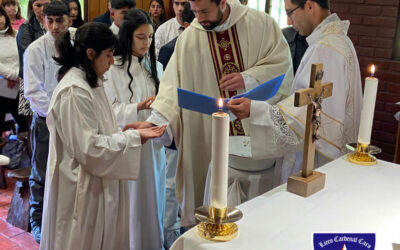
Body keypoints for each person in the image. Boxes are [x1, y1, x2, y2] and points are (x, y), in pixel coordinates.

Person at [124, 0, 293, 226]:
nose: (199, 19)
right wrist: (156, 122)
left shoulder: (261, 25)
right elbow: (172, 91)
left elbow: (282, 65)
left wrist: (248, 79)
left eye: (204, 11)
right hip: (207, 140)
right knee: (206, 211)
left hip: (255, 146)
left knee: (256, 221)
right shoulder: (189, 39)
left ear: (223, 2)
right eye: (194, 12)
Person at [39, 22, 166, 250]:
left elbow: (98, 131)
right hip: (82, 187)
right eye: (108, 55)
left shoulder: (91, 81)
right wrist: (134, 138)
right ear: (90, 54)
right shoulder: (74, 92)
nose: (111, 62)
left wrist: (125, 130)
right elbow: (90, 149)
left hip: (96, 182)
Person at [227, 0, 363, 184]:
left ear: (309, 5)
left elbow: (307, 115)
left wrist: (255, 110)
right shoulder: (340, 41)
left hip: (314, 164)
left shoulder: (325, 49)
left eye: (290, 12)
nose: (289, 22)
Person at [104, 9, 166, 250]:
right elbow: (109, 110)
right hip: (127, 144)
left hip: (152, 147)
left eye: (149, 36)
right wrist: (136, 107)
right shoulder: (113, 68)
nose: (146, 42)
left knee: (153, 199)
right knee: (131, 203)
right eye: (141, 37)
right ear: (128, 36)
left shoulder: (155, 67)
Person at [23, 0, 72, 242]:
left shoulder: (77, 42)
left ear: (69, 20)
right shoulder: (35, 49)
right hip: (46, 120)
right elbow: (33, 92)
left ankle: (64, 218)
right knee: (41, 173)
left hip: (74, 120)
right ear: (43, 21)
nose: (54, 26)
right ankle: (37, 221)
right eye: (49, 21)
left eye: (59, 20)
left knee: (70, 172)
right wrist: (57, 116)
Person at [157, 3, 194, 248]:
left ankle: (188, 222)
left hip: (197, 124)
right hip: (174, 125)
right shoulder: (169, 50)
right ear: (186, 27)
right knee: (170, 183)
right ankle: (168, 230)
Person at [0, 5, 28, 135]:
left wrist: (18, 76)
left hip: (20, 83)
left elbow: (24, 56)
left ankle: (25, 151)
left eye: (0, 16)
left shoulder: (17, 35)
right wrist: (11, 77)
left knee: (25, 124)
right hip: (2, 84)